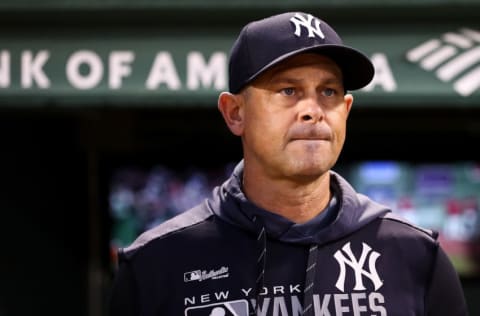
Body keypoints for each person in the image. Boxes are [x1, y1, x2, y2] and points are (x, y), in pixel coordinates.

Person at [109, 12, 468, 316]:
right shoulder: (155, 263)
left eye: (328, 91)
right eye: (288, 91)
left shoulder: (417, 255)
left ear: (345, 111)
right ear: (235, 113)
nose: (312, 110)